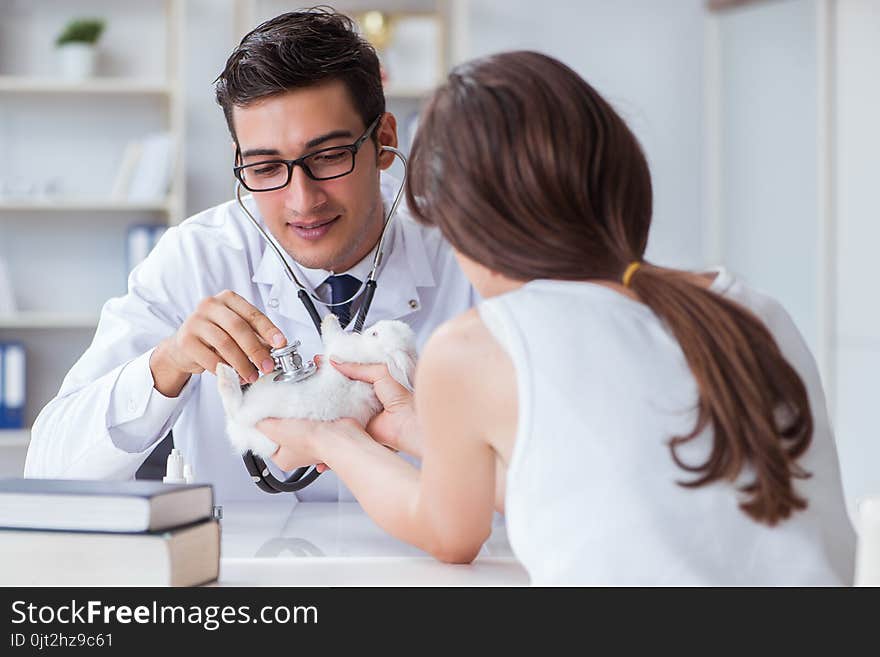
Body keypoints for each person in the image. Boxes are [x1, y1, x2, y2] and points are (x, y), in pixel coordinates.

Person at [258, 51, 856, 585]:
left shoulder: (479, 345)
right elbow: (596, 493)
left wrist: (325, 436)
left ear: (467, 224)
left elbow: (449, 534)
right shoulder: (746, 309)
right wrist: (412, 427)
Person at [24, 9, 475, 503]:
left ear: (384, 141)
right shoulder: (197, 257)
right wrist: (166, 364)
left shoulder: (470, 252)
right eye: (265, 167)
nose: (303, 201)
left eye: (328, 157)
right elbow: (49, 471)